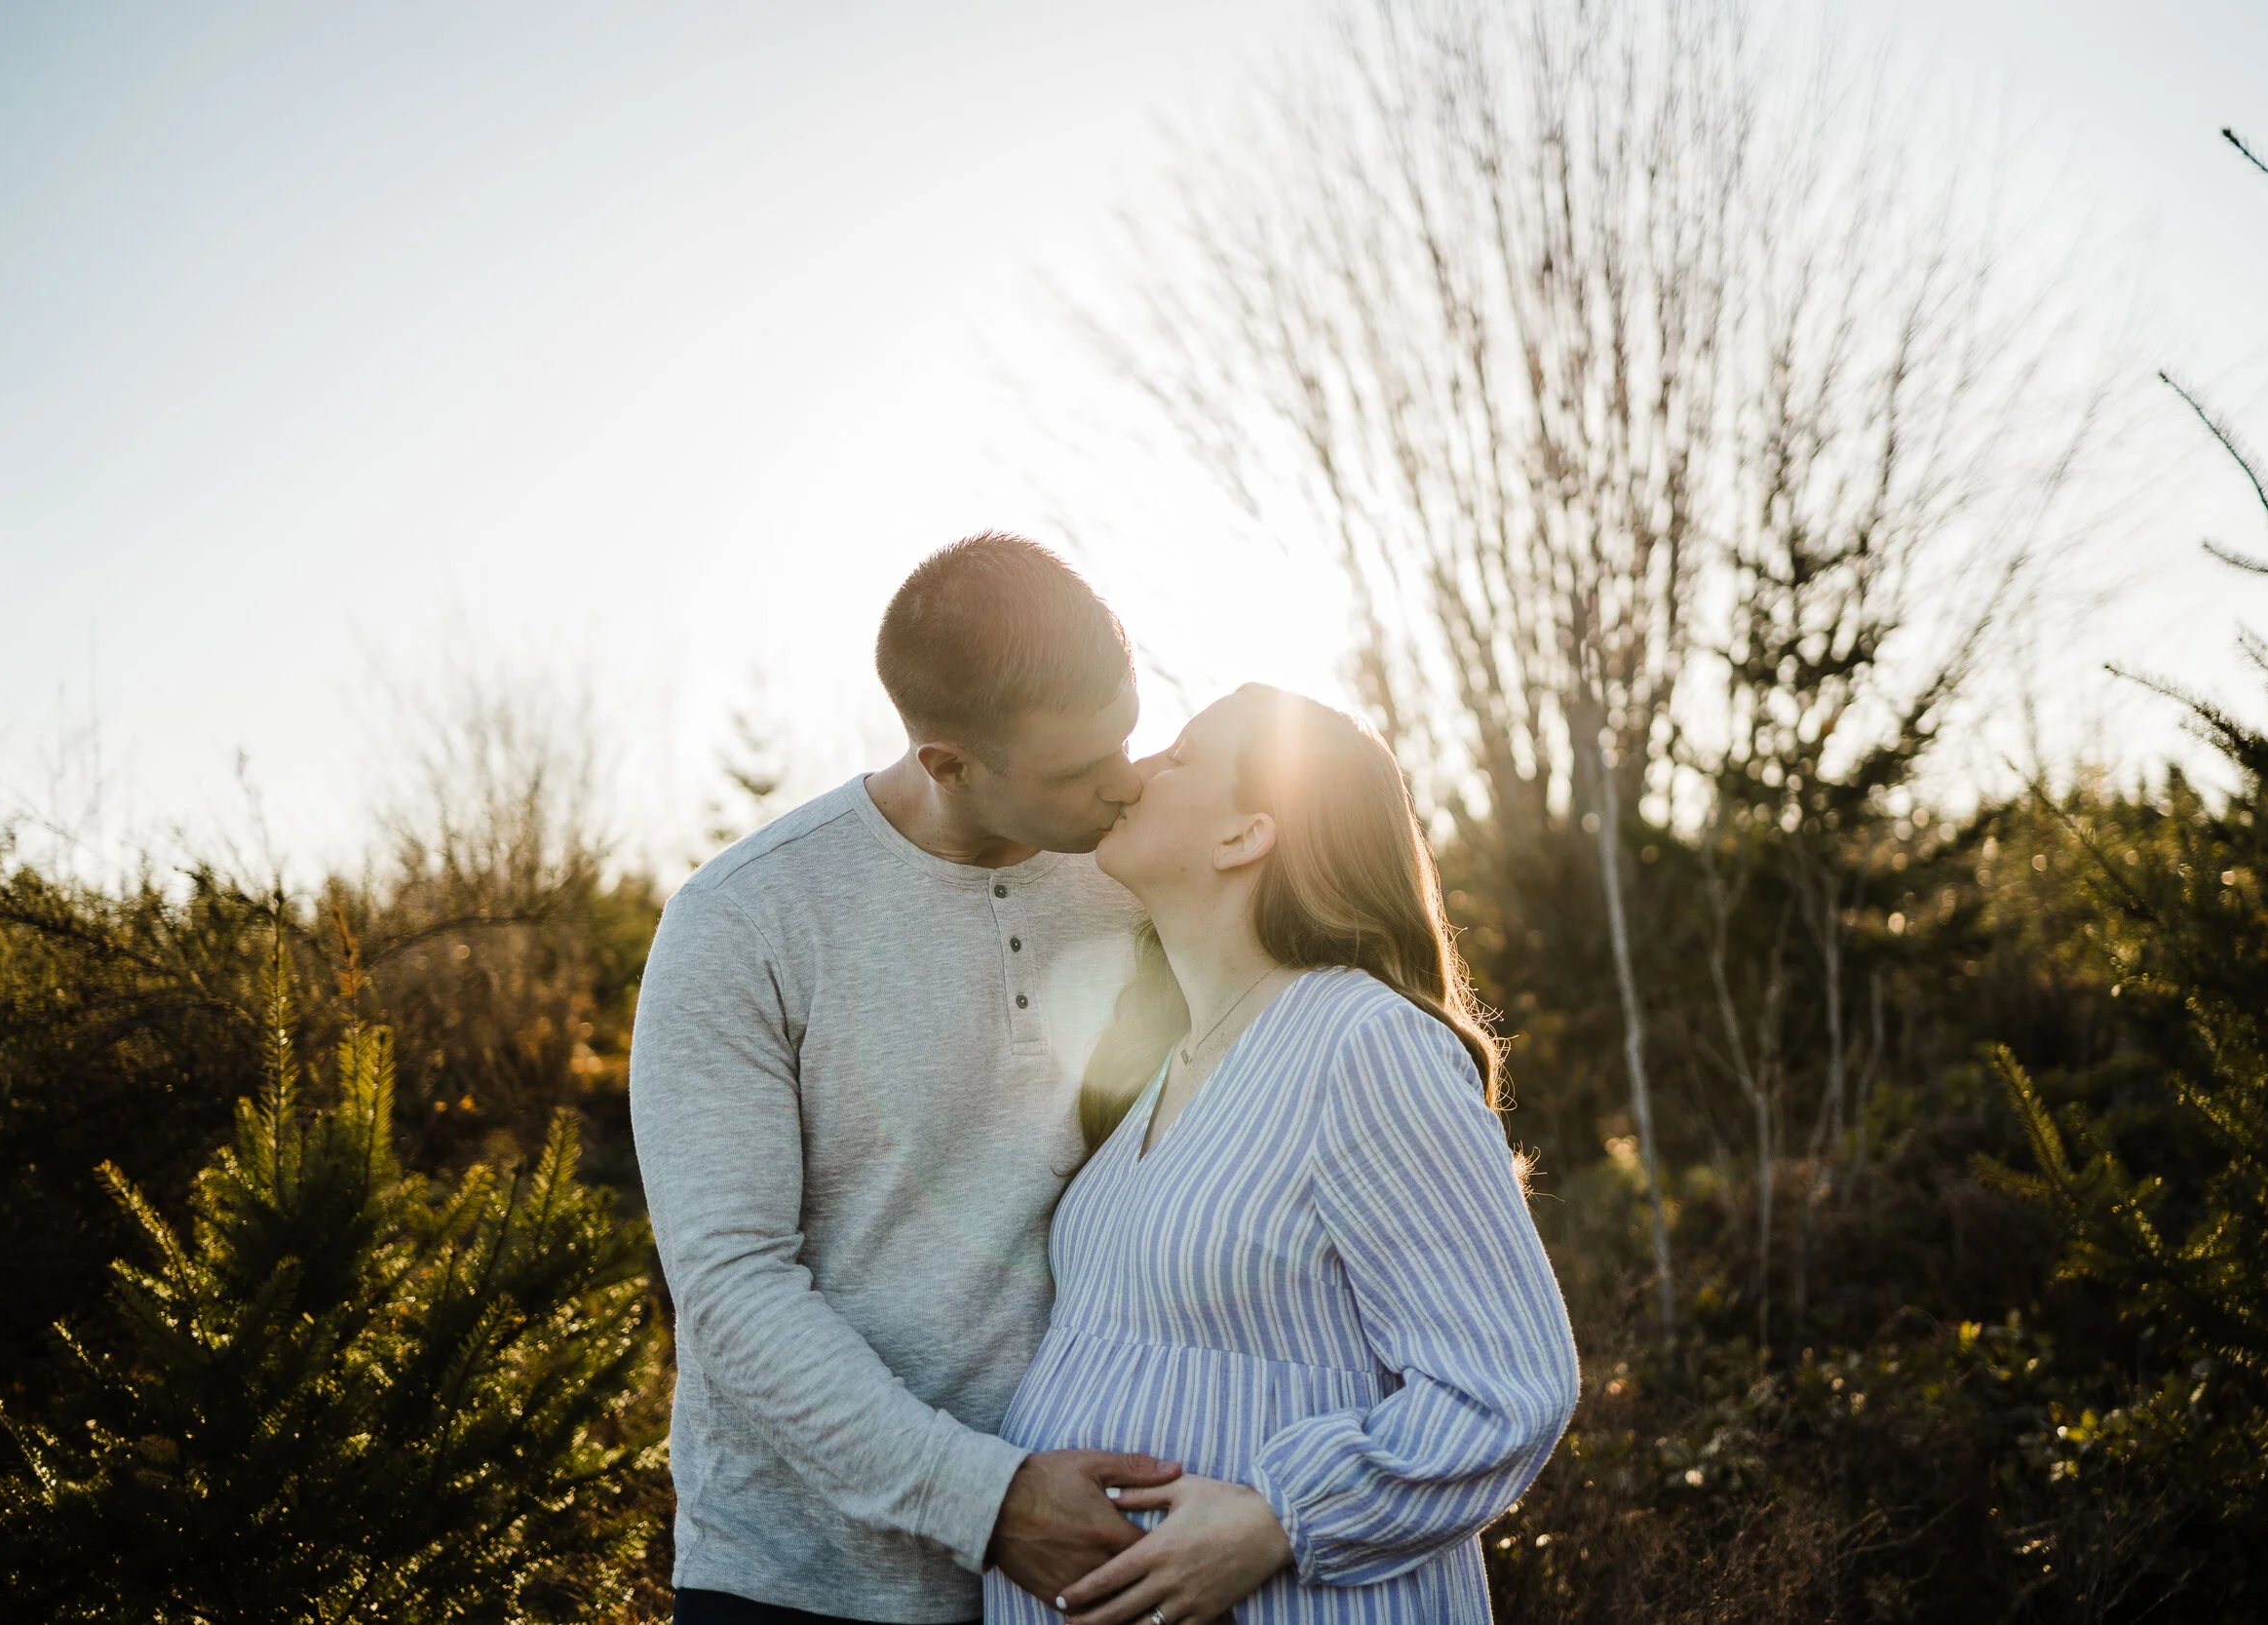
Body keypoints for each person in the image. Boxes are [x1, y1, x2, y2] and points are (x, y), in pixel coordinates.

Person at [631, 533, 1182, 1625]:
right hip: (801, 1581)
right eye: (1078, 771)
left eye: (1127, 735)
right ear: (948, 761)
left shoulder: (1143, 877)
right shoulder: (744, 921)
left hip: (1086, 1571)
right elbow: (733, 1285)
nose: (1124, 782)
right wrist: (988, 1500)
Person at [981, 684, 1581, 1625]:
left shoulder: (1361, 1040)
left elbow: (1508, 1383)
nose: (1133, 774)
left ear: (1243, 836)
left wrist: (1278, 1519)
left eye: (1177, 757)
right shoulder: (1164, 1060)